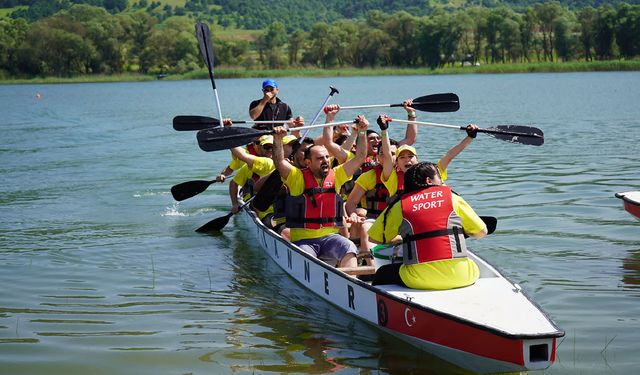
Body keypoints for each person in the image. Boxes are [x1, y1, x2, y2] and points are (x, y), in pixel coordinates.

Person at [368, 162, 487, 290]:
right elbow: (482, 232)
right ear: (429, 180)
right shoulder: (453, 198)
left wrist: (403, 238)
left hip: (417, 280)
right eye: (439, 177)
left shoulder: (400, 205)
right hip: (462, 276)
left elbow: (374, 238)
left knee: (382, 273)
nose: (442, 181)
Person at [272, 116, 370, 269]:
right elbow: (279, 162)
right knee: (306, 257)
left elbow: (360, 157)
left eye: (326, 157)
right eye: (319, 158)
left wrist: (362, 132)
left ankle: (349, 280)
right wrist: (278, 140)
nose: (325, 161)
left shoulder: (337, 175)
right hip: (303, 242)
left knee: (349, 247)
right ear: (308, 162)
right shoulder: (296, 177)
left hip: (330, 238)